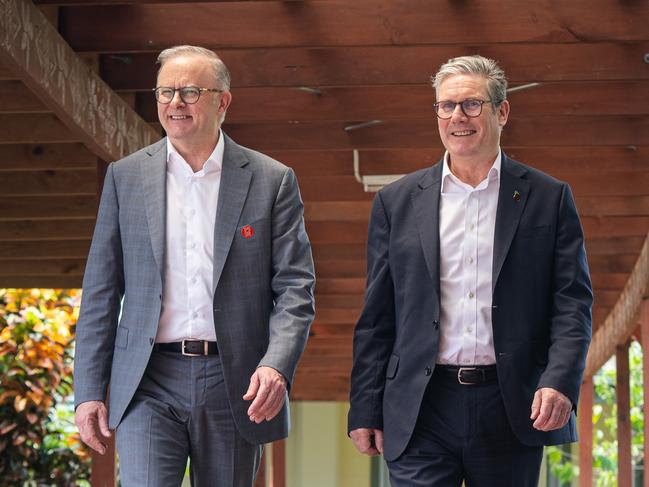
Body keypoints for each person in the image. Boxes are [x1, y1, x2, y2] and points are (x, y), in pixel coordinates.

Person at [74, 45, 315, 487]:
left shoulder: (271, 180)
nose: (174, 104)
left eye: (189, 92)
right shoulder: (125, 177)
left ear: (222, 101)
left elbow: (296, 290)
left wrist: (276, 365)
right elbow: (102, 290)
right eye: (166, 92)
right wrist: (88, 390)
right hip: (148, 378)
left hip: (234, 380)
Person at [348, 55, 592, 486]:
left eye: (472, 104)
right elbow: (377, 317)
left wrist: (559, 381)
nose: (457, 116)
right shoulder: (396, 202)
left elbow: (572, 304)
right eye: (446, 106)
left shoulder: (548, 198)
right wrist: (364, 407)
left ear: (502, 111)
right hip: (421, 405)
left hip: (512, 404)